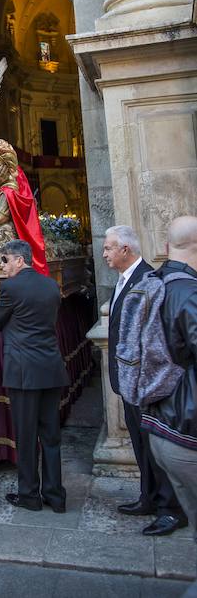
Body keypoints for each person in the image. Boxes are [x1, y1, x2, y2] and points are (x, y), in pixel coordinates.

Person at [103, 225, 186, 535]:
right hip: (129, 381)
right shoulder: (123, 281)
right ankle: (148, 497)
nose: (105, 253)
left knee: (156, 445)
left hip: (146, 383)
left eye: (109, 247)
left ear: (127, 250)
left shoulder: (149, 281)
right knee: (141, 443)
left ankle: (171, 509)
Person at [0, 238, 68, 512]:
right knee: (51, 436)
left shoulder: (10, 287)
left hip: (23, 371)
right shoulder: (50, 285)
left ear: (20, 260)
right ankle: (56, 496)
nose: (2, 266)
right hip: (51, 367)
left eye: (4, 260)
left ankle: (29, 495)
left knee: (26, 436)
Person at [141, 216, 197, 539]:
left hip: (159, 424)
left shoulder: (152, 284)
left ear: (165, 248)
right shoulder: (189, 294)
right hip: (186, 428)